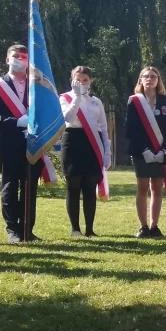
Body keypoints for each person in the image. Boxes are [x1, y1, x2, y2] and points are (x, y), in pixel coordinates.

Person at [0, 44, 42, 243]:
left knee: (30, 185)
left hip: (33, 141)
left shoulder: (37, 85)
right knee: (10, 184)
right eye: (16, 56)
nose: (20, 59)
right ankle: (13, 230)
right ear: (7, 59)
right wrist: (16, 122)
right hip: (8, 141)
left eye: (24, 57)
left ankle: (27, 228)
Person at [60, 66, 111, 237]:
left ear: (90, 81)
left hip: (92, 144)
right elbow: (67, 117)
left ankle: (90, 228)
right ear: (72, 80)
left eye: (85, 80)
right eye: (78, 80)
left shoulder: (96, 102)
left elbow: (103, 129)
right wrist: (77, 98)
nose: (82, 83)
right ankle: (75, 228)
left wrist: (107, 152)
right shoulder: (65, 98)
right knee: (73, 186)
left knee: (90, 186)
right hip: (72, 142)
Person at [126, 66, 166, 237]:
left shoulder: (165, 101)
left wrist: (164, 150)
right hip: (142, 153)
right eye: (145, 76)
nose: (149, 79)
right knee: (142, 187)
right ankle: (143, 226)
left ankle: (154, 226)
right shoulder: (134, 101)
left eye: (153, 76)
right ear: (140, 80)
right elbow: (131, 129)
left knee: (157, 187)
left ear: (158, 80)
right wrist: (144, 149)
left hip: (160, 152)